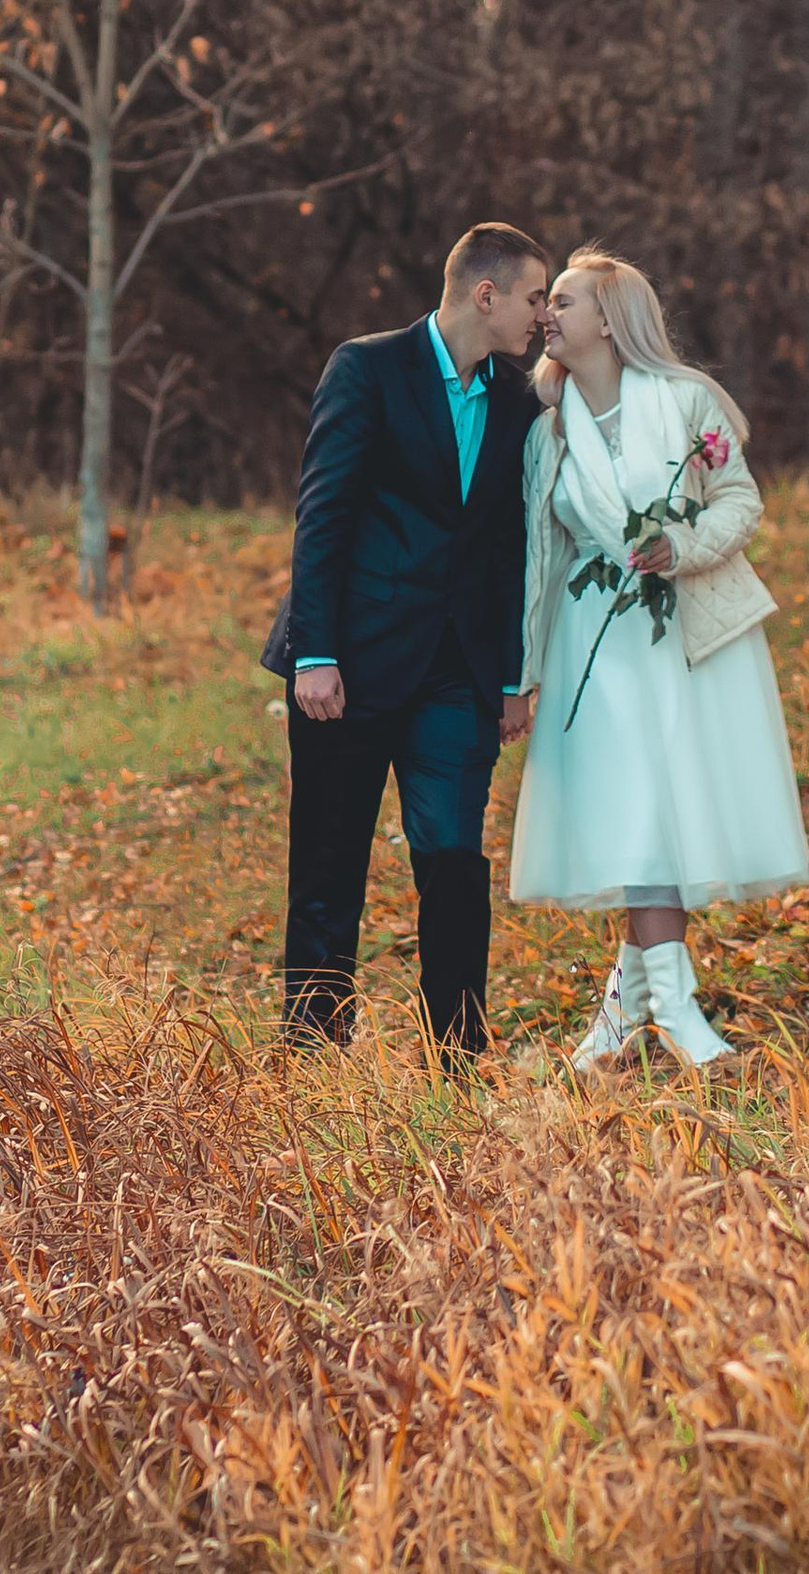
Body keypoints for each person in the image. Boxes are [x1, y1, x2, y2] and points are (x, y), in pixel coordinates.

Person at [507, 247, 809, 1072]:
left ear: (609, 318)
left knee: (664, 815)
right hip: (593, 648)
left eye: (562, 302)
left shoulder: (685, 404)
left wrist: (681, 545)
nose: (548, 316)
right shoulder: (548, 430)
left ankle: (640, 1018)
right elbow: (542, 557)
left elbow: (741, 500)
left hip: (686, 637)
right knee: (638, 812)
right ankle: (662, 1019)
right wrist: (522, 675)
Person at [261, 223, 551, 1063]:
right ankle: (313, 1057)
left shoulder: (515, 399)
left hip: (457, 676)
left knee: (456, 865)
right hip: (349, 664)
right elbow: (324, 511)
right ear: (484, 294)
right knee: (328, 866)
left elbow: (506, 546)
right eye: (533, 296)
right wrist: (314, 653)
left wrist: (508, 675)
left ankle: (456, 1059)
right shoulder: (367, 367)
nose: (541, 313)